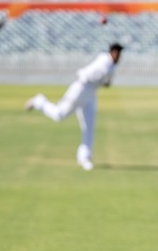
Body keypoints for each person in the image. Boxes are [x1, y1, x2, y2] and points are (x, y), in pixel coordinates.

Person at [25, 43, 124, 171]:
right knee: (59, 115)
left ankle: (85, 157)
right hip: (81, 88)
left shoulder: (111, 65)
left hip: (91, 92)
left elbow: (106, 83)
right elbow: (92, 76)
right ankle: (39, 101)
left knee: (89, 126)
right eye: (117, 53)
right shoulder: (105, 60)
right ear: (112, 52)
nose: (118, 56)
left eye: (120, 54)